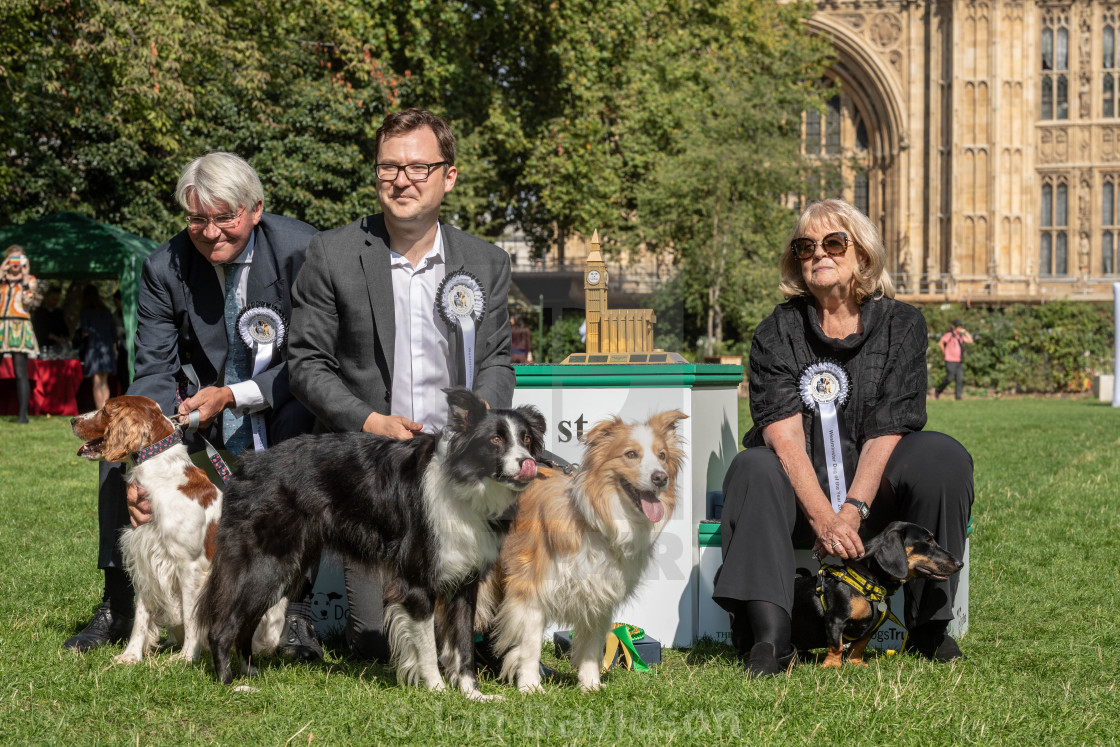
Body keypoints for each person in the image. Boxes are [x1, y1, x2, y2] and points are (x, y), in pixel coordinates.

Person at [64, 152, 321, 658]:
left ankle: (295, 613)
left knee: (303, 440)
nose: (210, 232)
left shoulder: (304, 250)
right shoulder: (164, 265)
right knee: (121, 452)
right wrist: (152, 451)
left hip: (281, 400)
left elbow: (313, 358)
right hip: (195, 414)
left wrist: (235, 395)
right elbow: (155, 368)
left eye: (225, 217)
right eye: (197, 218)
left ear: (255, 209)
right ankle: (118, 603)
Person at [288, 107, 515, 661]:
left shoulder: (486, 262)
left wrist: (480, 419)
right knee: (374, 643)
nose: (401, 180)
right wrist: (369, 422)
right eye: (389, 167)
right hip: (376, 467)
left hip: (457, 464)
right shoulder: (332, 254)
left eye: (418, 167)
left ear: (449, 176)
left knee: (469, 636)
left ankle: (480, 634)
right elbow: (305, 363)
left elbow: (498, 359)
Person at [713, 199, 973, 678]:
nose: (819, 253)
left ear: (863, 257)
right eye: (805, 246)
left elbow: (888, 428)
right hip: (798, 495)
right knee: (752, 466)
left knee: (942, 456)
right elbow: (784, 436)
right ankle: (771, 639)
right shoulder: (777, 331)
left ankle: (929, 628)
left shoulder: (903, 325)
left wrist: (852, 513)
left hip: (877, 491)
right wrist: (824, 519)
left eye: (834, 242)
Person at [1, 245, 40, 423]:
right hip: (1, 325)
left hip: (19, 326)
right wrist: (2, 270)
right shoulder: (2, 278)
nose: (15, 263)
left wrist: (24, 276)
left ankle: (22, 415)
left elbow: (28, 300)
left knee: (20, 372)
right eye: (12, 259)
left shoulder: (30, 279)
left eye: (19, 259)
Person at [75, 284, 117, 410]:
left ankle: (100, 411)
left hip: (94, 349)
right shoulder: (106, 311)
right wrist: (114, 352)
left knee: (97, 382)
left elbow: (85, 331)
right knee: (105, 382)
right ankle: (106, 410)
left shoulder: (85, 312)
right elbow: (114, 334)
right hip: (107, 350)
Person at [935, 320, 973, 400]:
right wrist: (944, 352)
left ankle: (958, 397)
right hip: (950, 360)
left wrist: (965, 332)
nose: (959, 328)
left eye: (960, 327)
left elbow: (970, 341)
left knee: (959, 379)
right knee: (949, 378)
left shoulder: (960, 336)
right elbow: (940, 343)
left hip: (959, 361)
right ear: (954, 327)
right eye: (958, 327)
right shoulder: (949, 335)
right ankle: (938, 390)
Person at [32, 285, 70, 355]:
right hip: (41, 347)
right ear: (47, 298)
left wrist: (66, 338)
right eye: (54, 299)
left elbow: (64, 329)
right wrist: (56, 338)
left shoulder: (59, 313)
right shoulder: (39, 312)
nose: (55, 302)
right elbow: (40, 330)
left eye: (58, 300)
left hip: (56, 348)